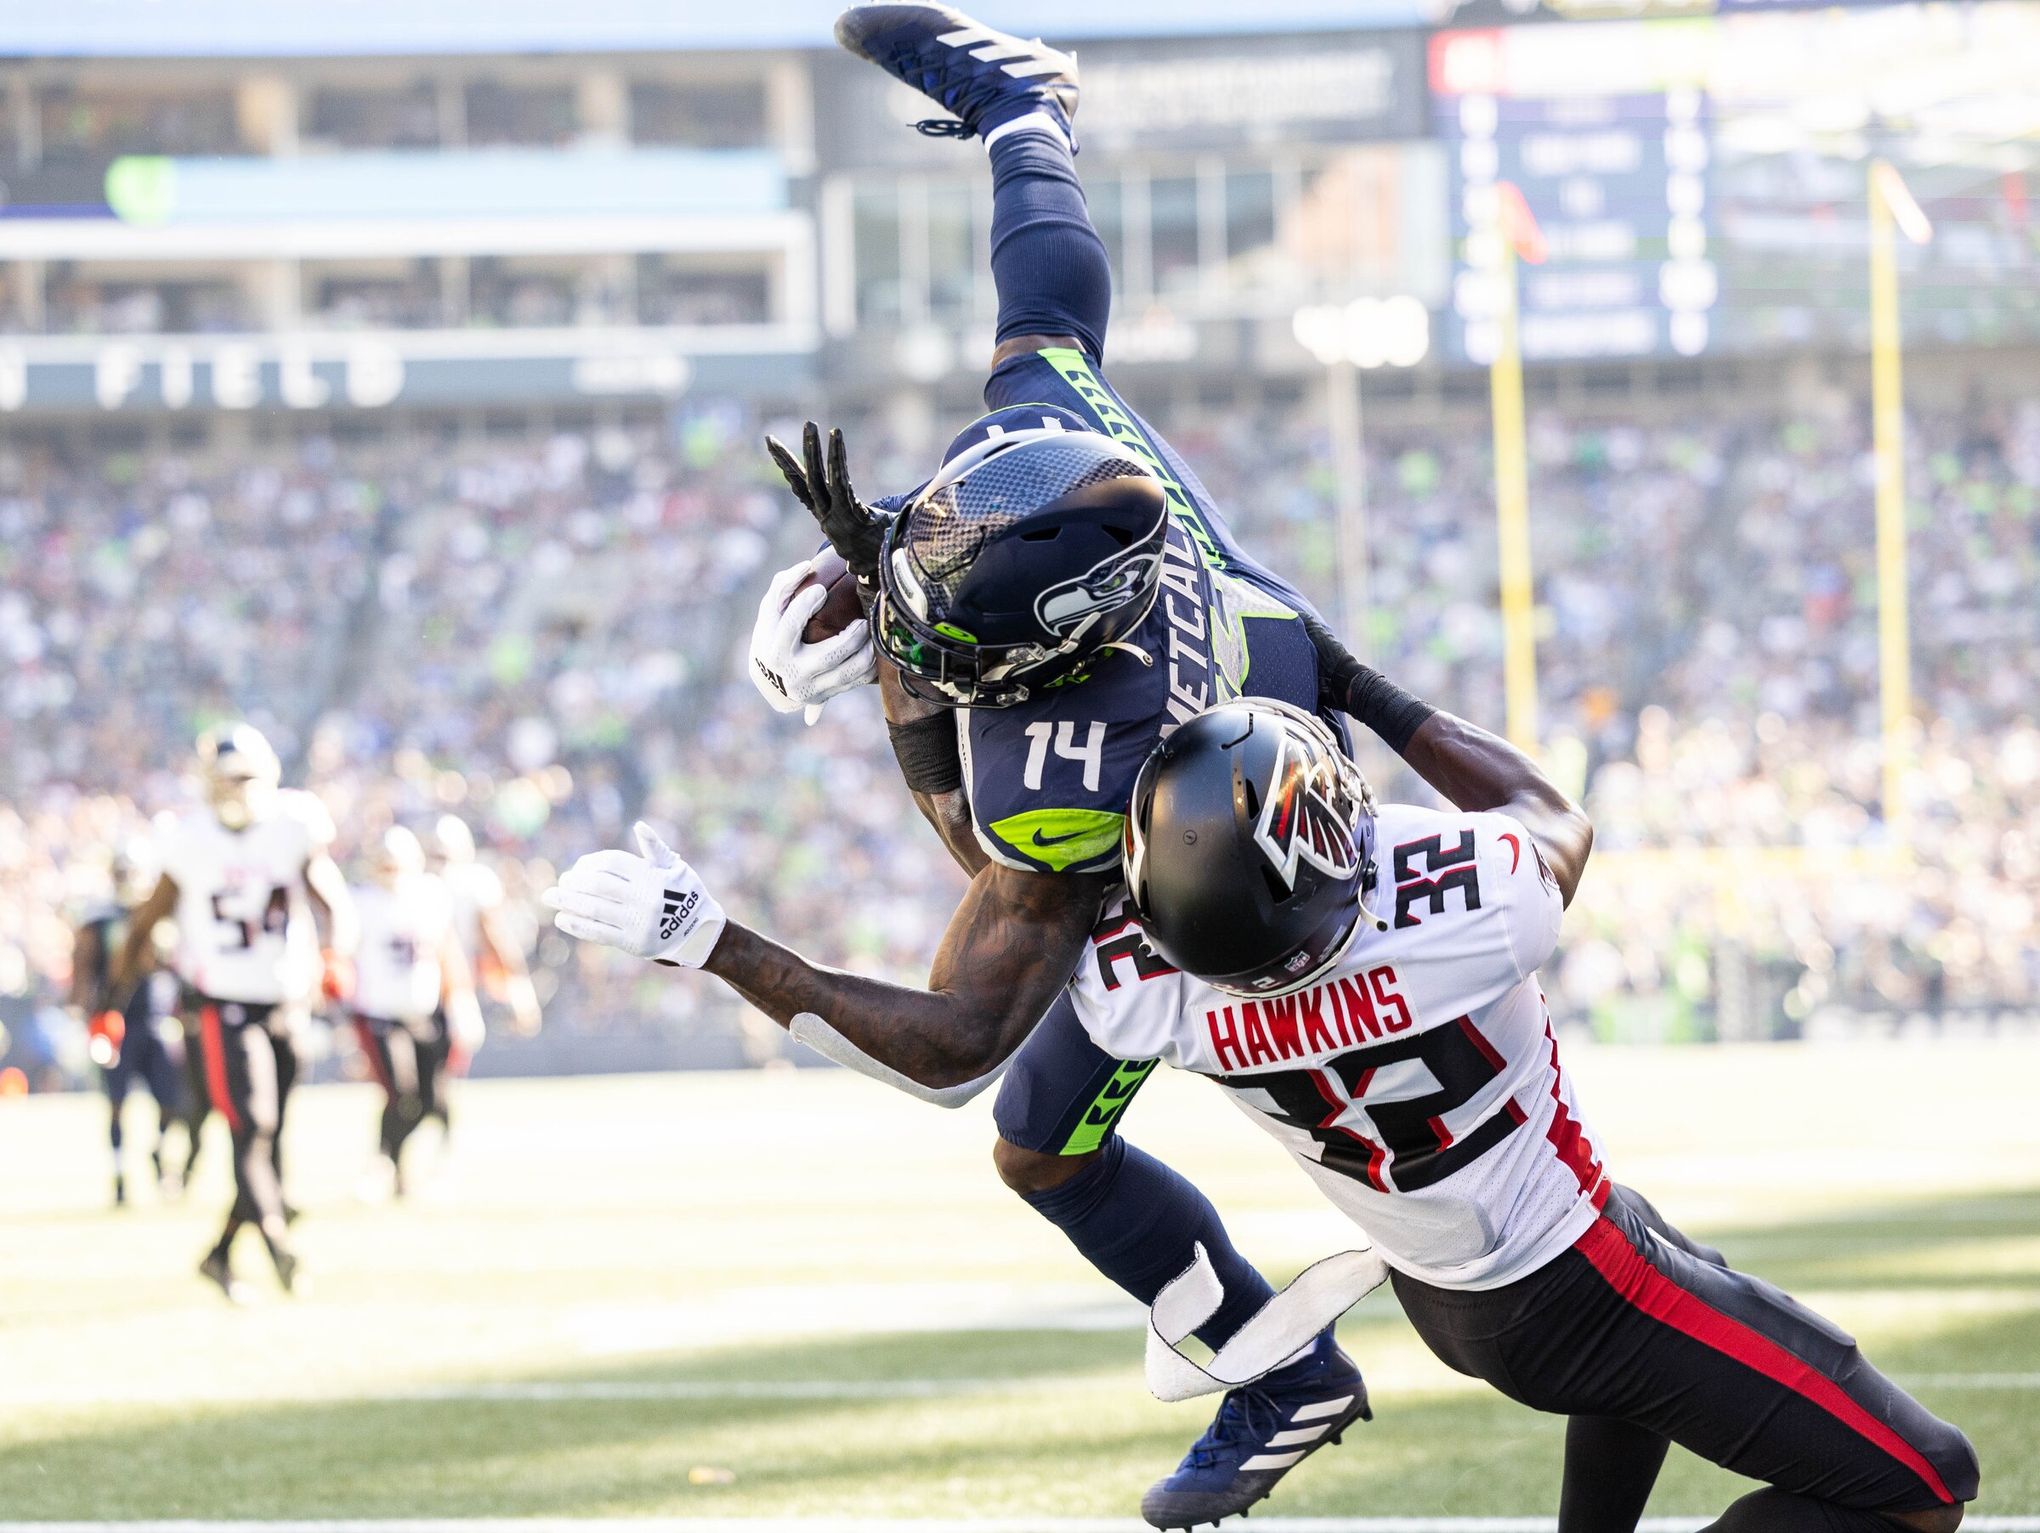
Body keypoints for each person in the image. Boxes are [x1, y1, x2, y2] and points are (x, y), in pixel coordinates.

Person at [545, 666, 1980, 1531]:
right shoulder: (1468, 905)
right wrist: (1357, 684)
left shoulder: (1147, 980)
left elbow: (967, 1003)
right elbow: (1554, 814)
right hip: (1571, 1277)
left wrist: (722, 940)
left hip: (1450, 1285)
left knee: (1645, 1349)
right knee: (1928, 1481)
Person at [737, 5, 1367, 1515]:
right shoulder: (1063, 456)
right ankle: (1031, 111)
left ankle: (1290, 1367)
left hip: (1245, 867)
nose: (945, 663)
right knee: (1035, 340)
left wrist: (903, 688)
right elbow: (1037, 361)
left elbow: (979, 965)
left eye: (968, 662)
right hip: (1290, 684)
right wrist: (891, 550)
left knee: (1042, 1143)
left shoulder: (1082, 778)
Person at [115, 724, 356, 1300]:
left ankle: (220, 1255)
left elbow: (334, 903)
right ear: (207, 782)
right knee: (253, 1128)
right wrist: (115, 998)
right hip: (220, 1007)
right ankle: (279, 1246)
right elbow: (146, 922)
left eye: (248, 777)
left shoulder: (292, 826)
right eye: (228, 778)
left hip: (285, 1001)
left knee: (269, 1137)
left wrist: (335, 955)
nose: (238, 789)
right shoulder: (189, 839)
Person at [351, 826, 485, 1199]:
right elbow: (343, 960)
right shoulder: (360, 902)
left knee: (429, 1100)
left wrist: (461, 999)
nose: (391, 873)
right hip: (378, 1013)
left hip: (423, 1012)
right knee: (399, 1092)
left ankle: (391, 1166)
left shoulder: (430, 895)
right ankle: (385, 1166)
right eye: (385, 865)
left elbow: (446, 950)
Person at [71, 848, 198, 1206]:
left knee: (173, 1102)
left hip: (157, 1020)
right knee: (115, 1103)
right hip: (115, 1021)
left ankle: (157, 1153)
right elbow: (84, 967)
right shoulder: (101, 919)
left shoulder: (161, 915)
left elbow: (176, 965)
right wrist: (87, 1013)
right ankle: (120, 1178)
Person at [428, 814, 539, 1147]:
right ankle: (437, 1141)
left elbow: (495, 939)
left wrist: (518, 988)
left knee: (439, 1075)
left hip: (452, 988)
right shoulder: (427, 885)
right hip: (426, 990)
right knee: (431, 1077)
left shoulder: (467, 883)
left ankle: (440, 1141)